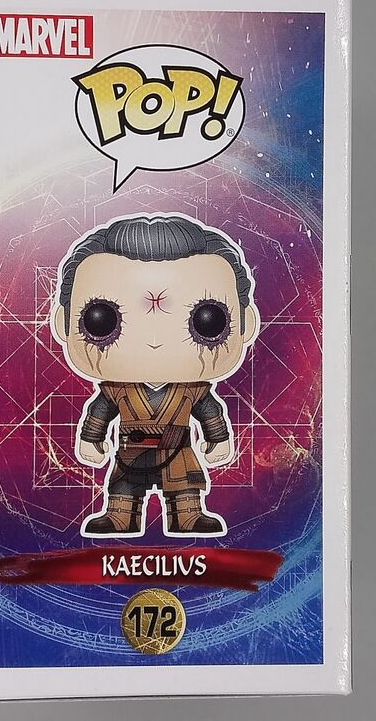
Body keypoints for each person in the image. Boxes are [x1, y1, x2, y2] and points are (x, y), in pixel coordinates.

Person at [52, 213, 259, 537]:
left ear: (247, 324)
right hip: (130, 452)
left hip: (179, 451)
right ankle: (121, 517)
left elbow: (210, 413)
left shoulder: (194, 391)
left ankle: (187, 517)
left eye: (208, 321)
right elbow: (99, 413)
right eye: (101, 320)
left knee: (185, 489)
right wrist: (91, 439)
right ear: (62, 323)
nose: (154, 340)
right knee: (124, 490)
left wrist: (218, 439)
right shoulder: (114, 390)